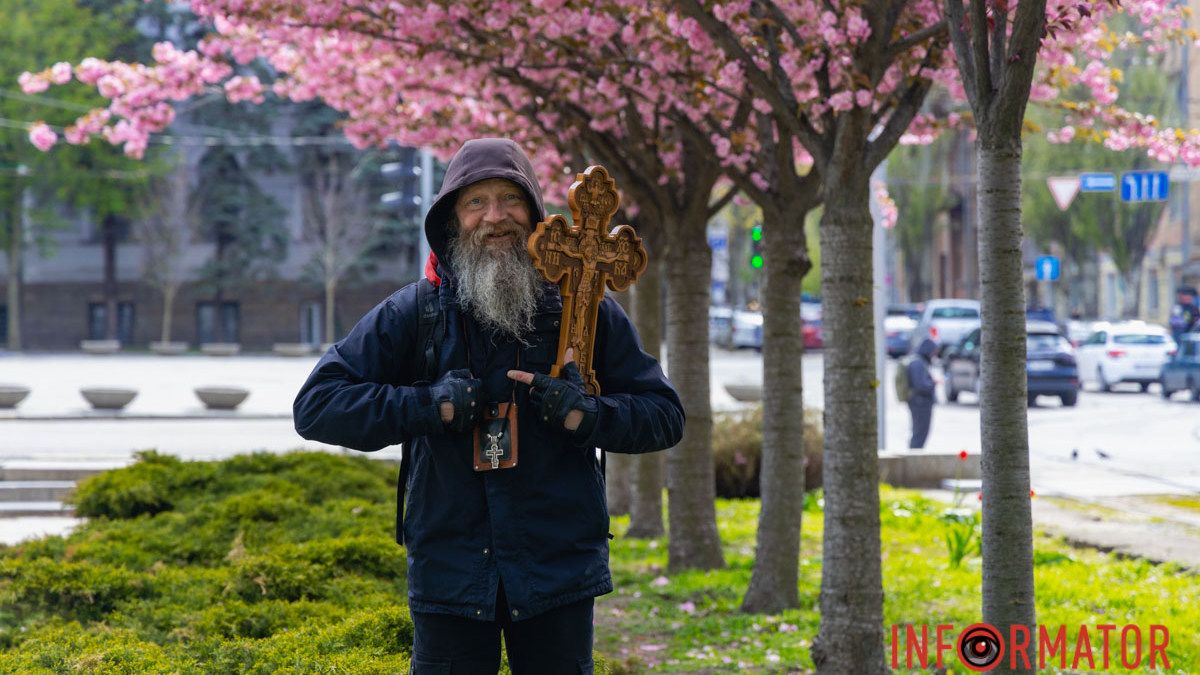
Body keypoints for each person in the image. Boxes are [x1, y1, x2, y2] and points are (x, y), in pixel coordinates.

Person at [293, 138, 684, 674]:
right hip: (451, 569)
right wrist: (431, 406)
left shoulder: (586, 311)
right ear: (453, 219)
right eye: (475, 202)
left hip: (557, 570)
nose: (494, 217)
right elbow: (318, 406)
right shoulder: (416, 312)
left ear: (535, 213)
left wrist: (586, 416)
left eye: (509, 199)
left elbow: (664, 415)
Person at [907, 338, 937, 449]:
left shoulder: (918, 362)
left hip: (920, 402)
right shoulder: (918, 363)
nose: (934, 355)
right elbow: (920, 385)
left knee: (920, 432)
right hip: (920, 403)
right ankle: (914, 458)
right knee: (919, 433)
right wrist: (933, 383)